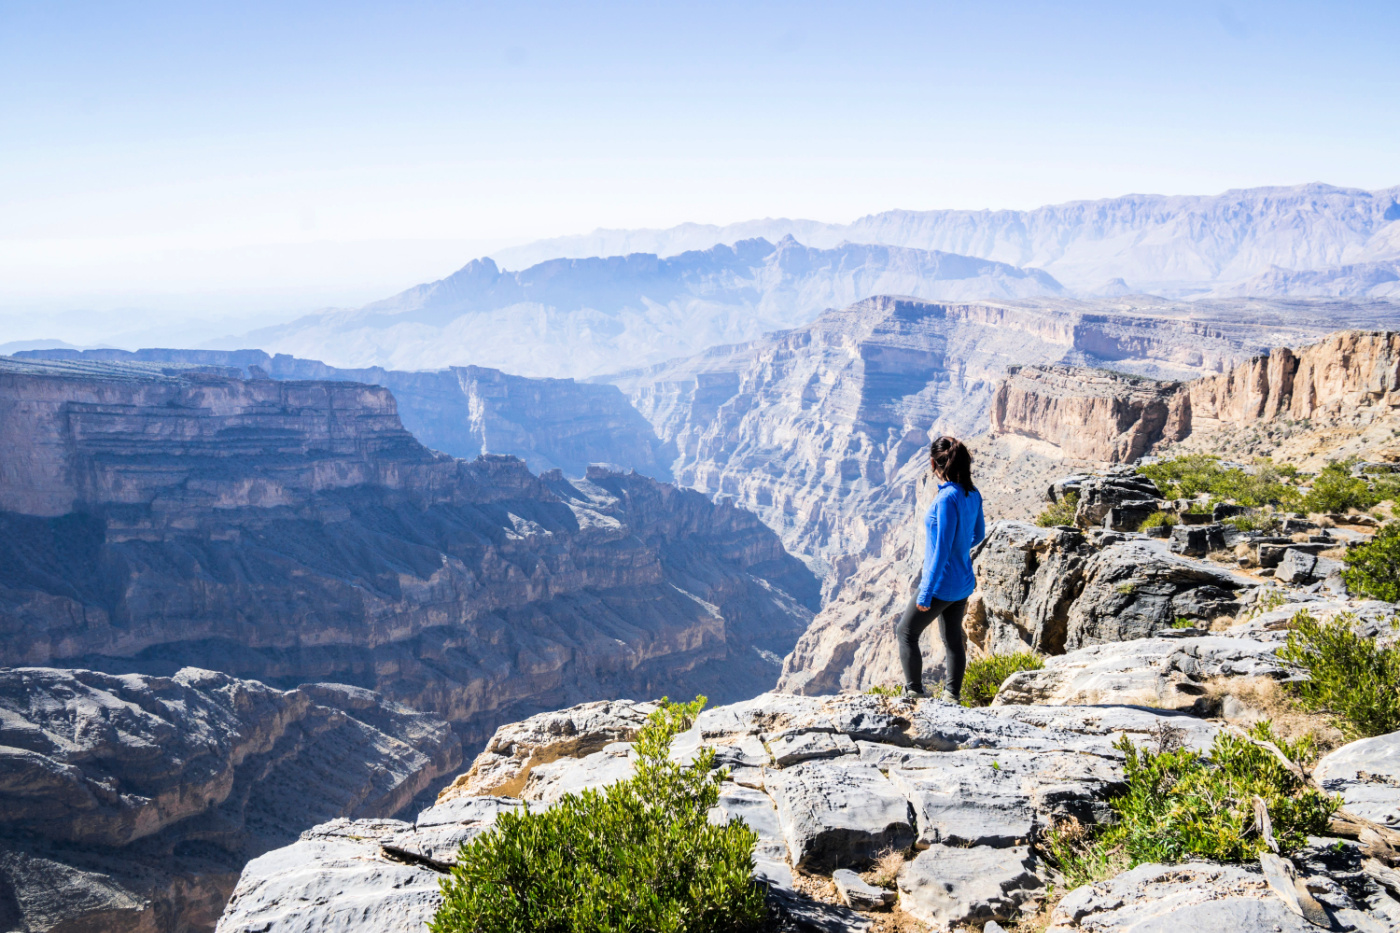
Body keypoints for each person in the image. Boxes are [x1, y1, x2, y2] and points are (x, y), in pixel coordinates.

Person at [895, 435, 986, 702]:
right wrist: (960, 546)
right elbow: (978, 534)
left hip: (941, 585)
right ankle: (952, 695)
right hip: (963, 583)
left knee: (906, 632)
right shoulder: (972, 493)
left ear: (934, 463)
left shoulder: (947, 499)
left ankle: (915, 692)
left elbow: (941, 552)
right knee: (952, 639)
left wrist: (925, 593)